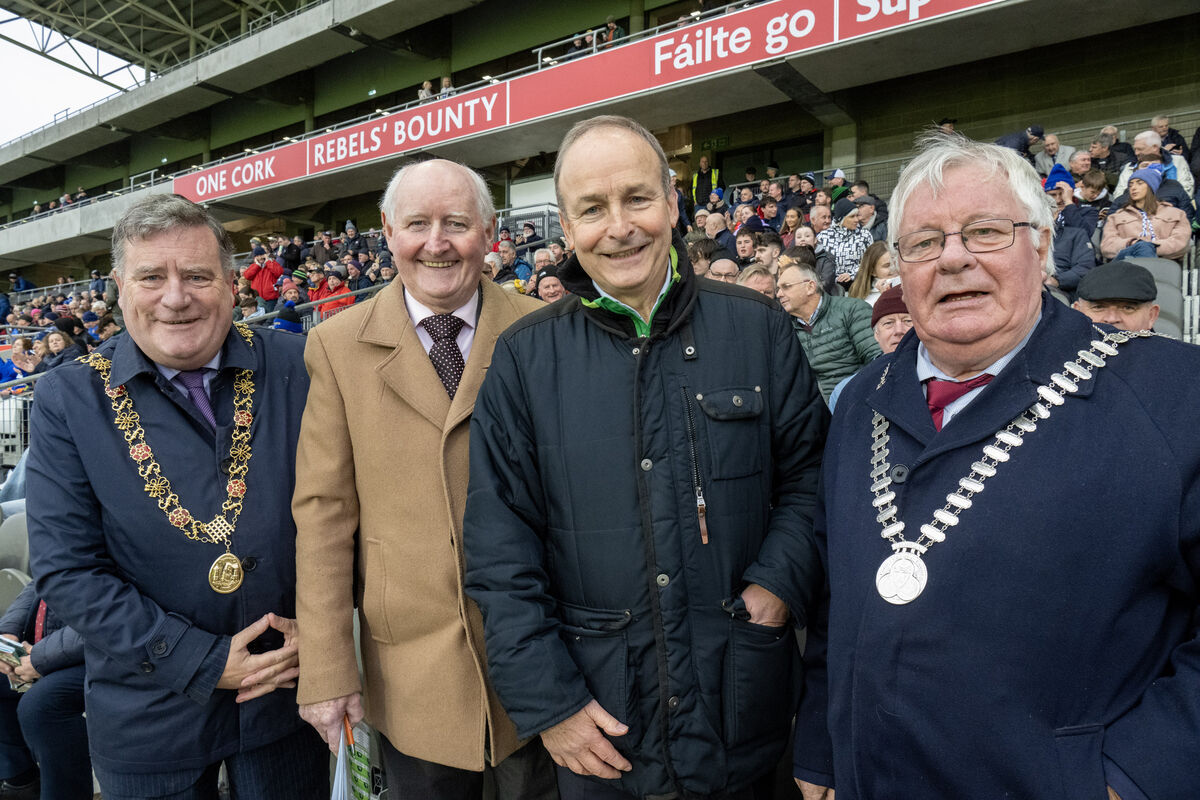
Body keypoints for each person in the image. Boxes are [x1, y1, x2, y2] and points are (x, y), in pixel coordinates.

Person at [793, 132, 1200, 800]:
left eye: (984, 231)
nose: (952, 259)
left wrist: (1136, 777)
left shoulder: (1174, 395)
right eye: (924, 242)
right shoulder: (861, 399)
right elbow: (839, 598)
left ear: (1040, 246)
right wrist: (819, 751)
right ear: (898, 268)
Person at [462, 115, 828, 800]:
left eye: (636, 198)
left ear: (671, 202)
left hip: (743, 707)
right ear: (566, 230)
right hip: (602, 729)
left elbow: (811, 477)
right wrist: (552, 706)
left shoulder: (758, 328)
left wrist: (777, 586)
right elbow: (499, 549)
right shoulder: (524, 360)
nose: (619, 226)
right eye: (592, 210)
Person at [25, 194, 325, 798]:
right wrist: (202, 660)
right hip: (148, 719)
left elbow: (353, 517)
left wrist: (330, 633)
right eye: (151, 277)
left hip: (290, 700)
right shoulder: (67, 399)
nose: (176, 297)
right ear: (118, 286)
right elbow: (69, 572)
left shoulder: (301, 365)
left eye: (196, 275)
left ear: (232, 283)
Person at [292, 159, 556, 800]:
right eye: (417, 223)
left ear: (491, 233)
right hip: (409, 671)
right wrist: (327, 667)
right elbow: (324, 512)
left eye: (457, 223)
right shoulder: (336, 345)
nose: (436, 242)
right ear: (387, 231)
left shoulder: (544, 330)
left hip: (542, 658)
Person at [0, 582, 91, 799]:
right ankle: (20, 781)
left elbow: (109, 617)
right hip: (50, 646)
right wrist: (7, 633)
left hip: (102, 654)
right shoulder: (60, 549)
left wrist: (42, 657)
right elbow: (38, 582)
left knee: (41, 705)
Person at [776, 260, 880, 400]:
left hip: (858, 398)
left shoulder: (851, 309)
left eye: (786, 287)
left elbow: (877, 360)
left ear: (810, 287)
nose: (779, 294)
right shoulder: (783, 326)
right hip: (813, 411)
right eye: (778, 289)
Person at [827, 284, 913, 410]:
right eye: (888, 323)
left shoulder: (941, 379)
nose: (898, 330)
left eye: (908, 321)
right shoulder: (847, 390)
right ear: (876, 335)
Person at [1100, 167, 1190, 262]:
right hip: (1126, 263)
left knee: (1144, 248)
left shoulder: (1176, 214)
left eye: (1139, 183)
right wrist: (1133, 244)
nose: (1133, 188)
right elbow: (1107, 246)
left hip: (1164, 265)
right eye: (1130, 185)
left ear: (1152, 186)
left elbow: (1181, 243)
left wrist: (1150, 247)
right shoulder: (1117, 216)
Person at [1071, 260, 1160, 332]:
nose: (1112, 319)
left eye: (1128, 308)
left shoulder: (1170, 354)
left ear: (1151, 316)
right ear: (1078, 313)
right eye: (1098, 307)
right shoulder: (1061, 352)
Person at [846, 241, 897, 305]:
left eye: (896, 263)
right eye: (887, 265)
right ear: (872, 271)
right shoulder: (866, 300)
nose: (894, 268)